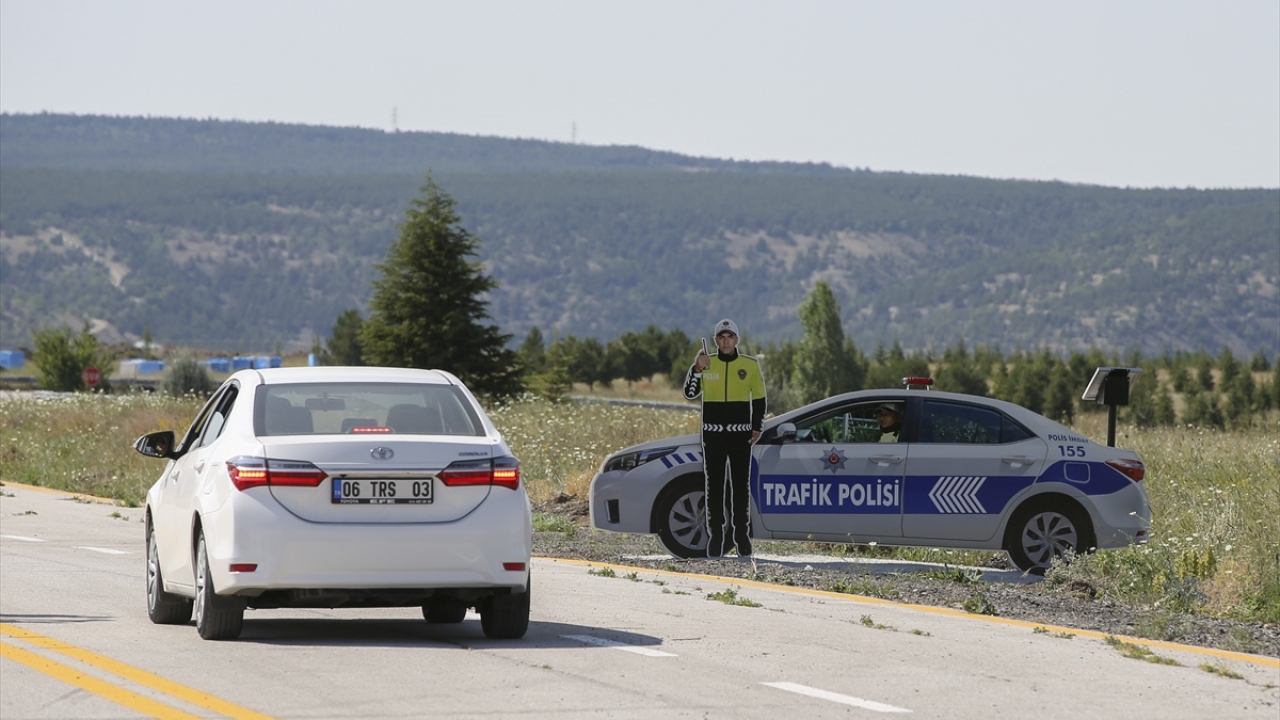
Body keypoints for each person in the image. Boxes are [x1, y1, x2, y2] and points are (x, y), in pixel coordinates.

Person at [683, 319, 766, 558]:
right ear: (716, 341)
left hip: (741, 435)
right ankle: (716, 536)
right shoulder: (707, 363)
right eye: (721, 337)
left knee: (740, 487)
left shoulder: (749, 365)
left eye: (730, 337)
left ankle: (742, 535)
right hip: (713, 435)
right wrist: (696, 369)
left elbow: (759, 398)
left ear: (737, 340)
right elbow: (689, 393)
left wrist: (757, 426)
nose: (726, 341)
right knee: (714, 487)